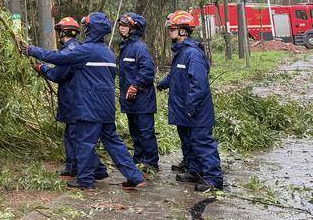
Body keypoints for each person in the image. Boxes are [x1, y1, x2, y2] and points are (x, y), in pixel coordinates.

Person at [25, 12, 146, 191]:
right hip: (106, 107)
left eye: (87, 27)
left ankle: (85, 180)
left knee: (85, 144)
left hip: (89, 107)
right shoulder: (108, 53)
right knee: (114, 143)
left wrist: (32, 50)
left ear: (93, 29)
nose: (85, 30)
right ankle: (135, 177)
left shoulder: (86, 50)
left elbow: (58, 58)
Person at [157, 10, 224, 192]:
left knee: (202, 142)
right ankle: (195, 171)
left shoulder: (192, 54)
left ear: (183, 31)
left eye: (173, 29)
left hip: (195, 110)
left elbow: (199, 84)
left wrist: (191, 106)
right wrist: (161, 85)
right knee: (188, 142)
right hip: (183, 109)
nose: (170, 32)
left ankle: (213, 179)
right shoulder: (181, 52)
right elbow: (174, 75)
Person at [35, 17, 108, 182]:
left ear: (64, 32)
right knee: (71, 135)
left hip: (74, 100)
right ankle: (73, 166)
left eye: (60, 31)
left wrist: (42, 69)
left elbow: (58, 74)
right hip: (73, 99)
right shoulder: (75, 48)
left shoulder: (71, 51)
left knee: (77, 137)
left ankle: (97, 168)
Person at [116, 12, 159, 172]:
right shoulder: (125, 47)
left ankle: (150, 163)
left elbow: (147, 71)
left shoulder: (139, 47)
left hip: (143, 100)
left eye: (125, 25)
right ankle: (139, 159)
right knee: (135, 132)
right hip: (130, 100)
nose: (122, 28)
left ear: (134, 28)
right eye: (121, 25)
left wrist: (135, 86)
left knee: (145, 132)